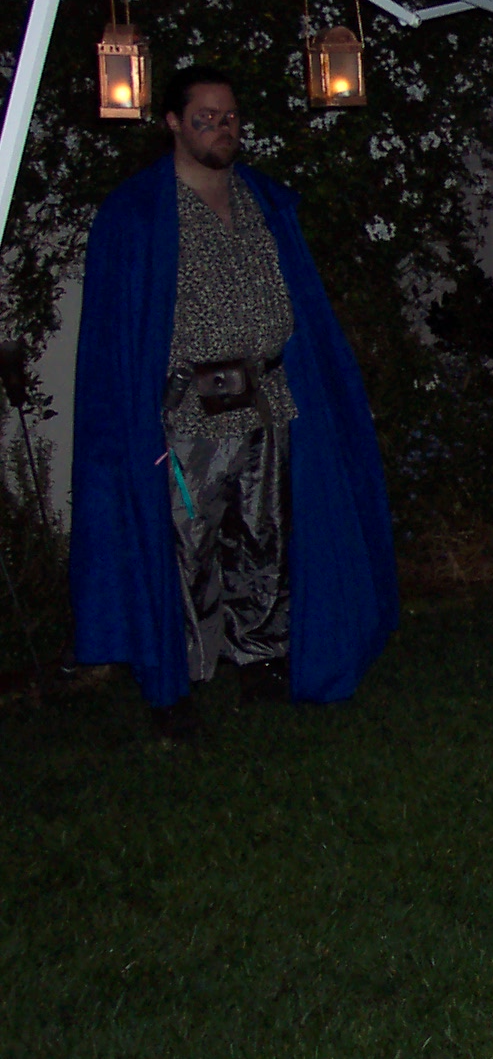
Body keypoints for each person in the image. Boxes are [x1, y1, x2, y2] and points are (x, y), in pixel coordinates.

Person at [69, 65, 397, 735]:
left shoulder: (263, 200)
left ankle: (259, 657)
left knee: (263, 535)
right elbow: (119, 328)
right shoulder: (140, 212)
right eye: (205, 118)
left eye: (230, 118)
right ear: (172, 123)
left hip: (269, 396)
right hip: (188, 411)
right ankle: (180, 678)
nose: (222, 128)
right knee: (186, 544)